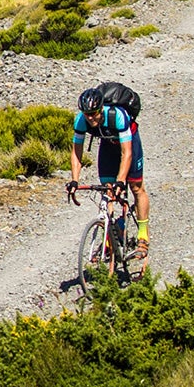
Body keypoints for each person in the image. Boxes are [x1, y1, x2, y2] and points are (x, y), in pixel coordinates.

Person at [70, 86, 149, 259]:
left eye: (94, 113)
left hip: (129, 143)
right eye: (86, 114)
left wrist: (121, 180)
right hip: (108, 144)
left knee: (136, 187)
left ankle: (143, 235)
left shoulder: (117, 116)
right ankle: (110, 234)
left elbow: (126, 153)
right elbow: (76, 153)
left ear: (101, 109)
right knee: (107, 190)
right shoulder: (80, 121)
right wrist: (74, 181)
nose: (90, 118)